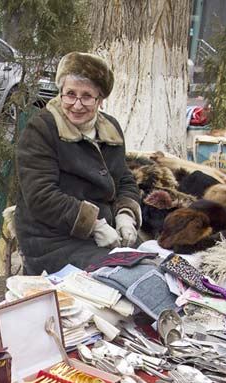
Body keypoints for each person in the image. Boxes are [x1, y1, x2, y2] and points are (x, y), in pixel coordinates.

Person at [14, 52, 142, 275]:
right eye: (70, 94)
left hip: (107, 233)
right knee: (120, 274)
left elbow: (123, 178)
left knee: (153, 264)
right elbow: (41, 196)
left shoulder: (110, 128)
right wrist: (94, 225)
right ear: (60, 93)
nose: (77, 104)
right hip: (52, 239)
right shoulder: (41, 130)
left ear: (100, 99)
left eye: (87, 96)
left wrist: (125, 215)